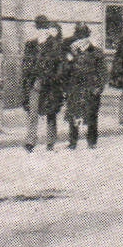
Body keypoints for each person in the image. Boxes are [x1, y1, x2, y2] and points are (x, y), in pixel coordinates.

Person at [24, 18, 67, 152]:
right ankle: (30, 141)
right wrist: (27, 79)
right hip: (34, 82)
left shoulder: (55, 45)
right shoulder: (30, 45)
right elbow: (25, 64)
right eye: (40, 28)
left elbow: (60, 65)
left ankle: (50, 141)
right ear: (37, 29)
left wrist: (54, 78)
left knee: (50, 112)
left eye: (45, 28)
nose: (43, 31)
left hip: (50, 84)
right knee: (33, 113)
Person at [62, 25, 106, 149]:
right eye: (78, 37)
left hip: (91, 87)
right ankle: (73, 142)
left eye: (83, 37)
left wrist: (99, 87)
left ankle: (92, 142)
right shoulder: (71, 52)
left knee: (92, 115)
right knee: (73, 115)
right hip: (75, 87)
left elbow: (103, 72)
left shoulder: (96, 52)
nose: (80, 40)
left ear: (88, 38)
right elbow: (66, 70)